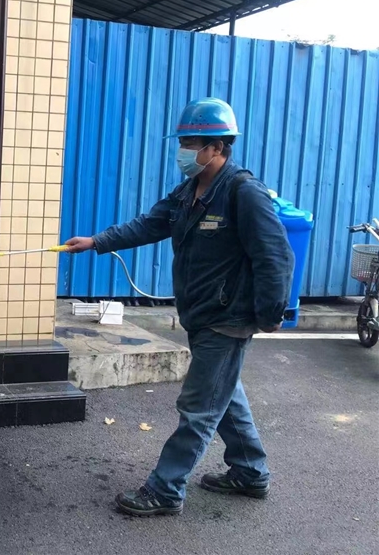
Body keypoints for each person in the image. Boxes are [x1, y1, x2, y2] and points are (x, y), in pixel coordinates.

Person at [65, 97, 294, 517]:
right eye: (183, 142)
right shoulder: (189, 191)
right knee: (224, 395)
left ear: (217, 147)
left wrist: (270, 314)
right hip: (200, 313)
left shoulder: (244, 192)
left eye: (190, 143)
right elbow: (149, 224)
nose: (183, 151)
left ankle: (166, 489)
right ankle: (250, 471)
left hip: (228, 318)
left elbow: (275, 257)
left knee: (198, 408)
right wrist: (96, 242)